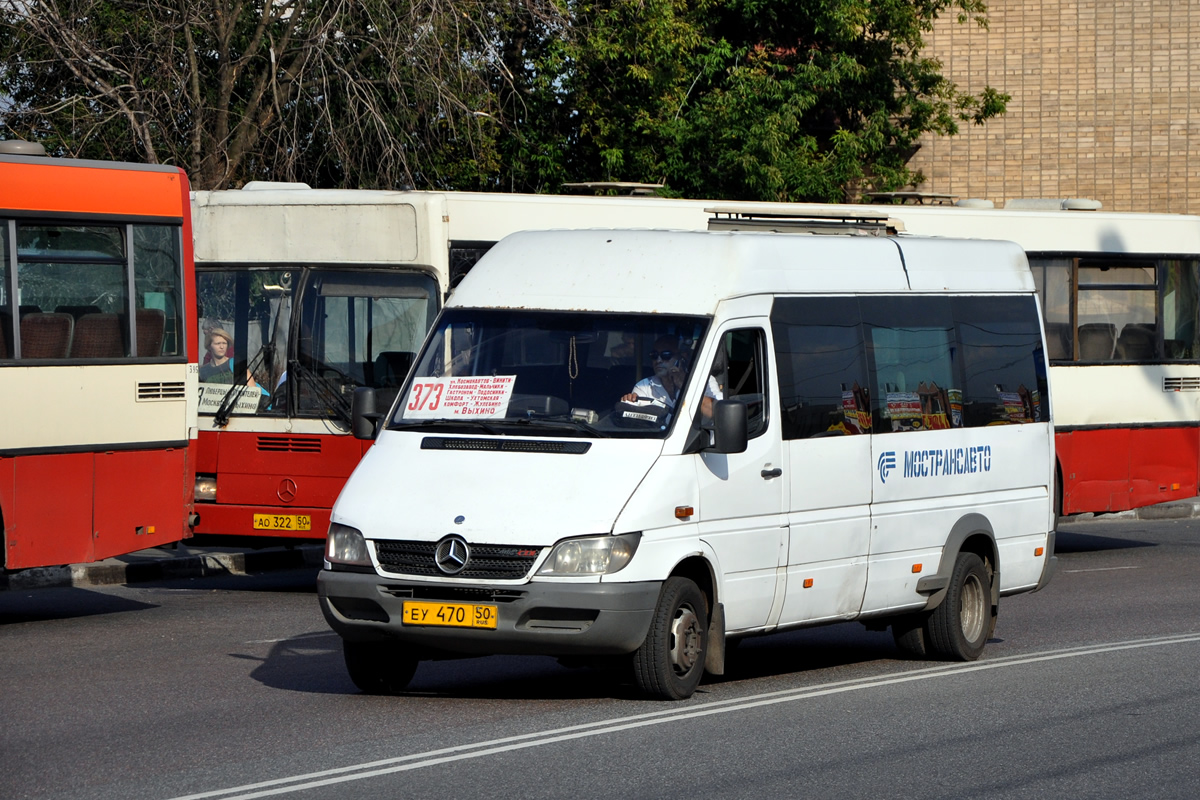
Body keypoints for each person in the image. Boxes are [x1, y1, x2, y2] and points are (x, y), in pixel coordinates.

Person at [621, 335, 721, 418]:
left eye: (666, 355)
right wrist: (629, 402)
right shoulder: (643, 386)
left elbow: (718, 415)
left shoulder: (704, 381)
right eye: (654, 355)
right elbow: (638, 423)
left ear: (682, 357)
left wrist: (684, 387)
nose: (658, 360)